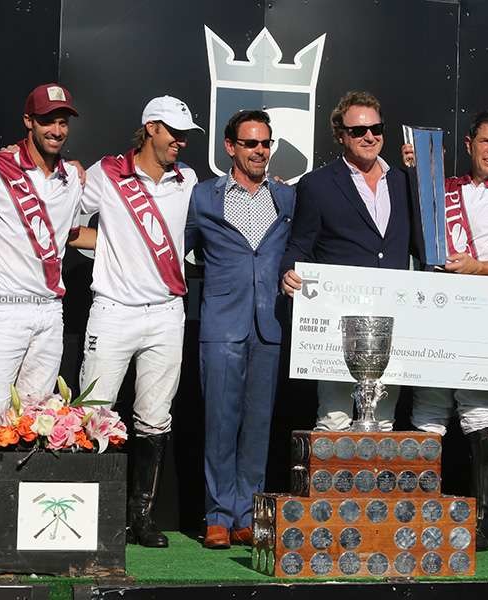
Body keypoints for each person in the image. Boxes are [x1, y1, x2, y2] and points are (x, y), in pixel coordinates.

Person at [403, 110, 488, 551]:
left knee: (479, 411)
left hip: (486, 318)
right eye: (486, 142)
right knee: (428, 409)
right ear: (469, 144)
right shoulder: (440, 190)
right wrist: (410, 172)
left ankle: (482, 526)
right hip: (434, 314)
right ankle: (418, 514)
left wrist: (476, 267)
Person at [79, 96, 203, 547]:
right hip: (112, 310)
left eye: (185, 133)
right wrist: (109, 243)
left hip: (168, 313)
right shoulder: (107, 173)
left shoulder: (187, 179)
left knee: (155, 418)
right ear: (150, 128)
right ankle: (89, 516)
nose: (181, 141)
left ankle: (140, 519)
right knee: (94, 412)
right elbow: (66, 224)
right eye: (173, 131)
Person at [186, 110, 295, 549]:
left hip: (269, 325)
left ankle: (248, 514)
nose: (260, 151)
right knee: (219, 423)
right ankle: (216, 515)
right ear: (230, 147)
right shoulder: (203, 198)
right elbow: (180, 250)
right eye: (250, 143)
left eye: (265, 143)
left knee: (257, 425)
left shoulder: (286, 198)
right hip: (221, 325)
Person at [280, 90, 412, 432]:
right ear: (341, 135)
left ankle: (376, 486)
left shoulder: (404, 182)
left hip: (391, 320)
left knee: (382, 422)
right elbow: (300, 245)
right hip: (338, 323)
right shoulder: (317, 184)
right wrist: (288, 272)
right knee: (334, 418)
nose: (369, 136)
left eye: (376, 128)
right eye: (358, 131)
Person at [0, 83, 84, 419]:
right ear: (28, 121)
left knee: (37, 421)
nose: (57, 130)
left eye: (63, 122)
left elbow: (70, 234)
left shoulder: (73, 178)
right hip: (2, 309)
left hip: (50, 312)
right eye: (48, 120)